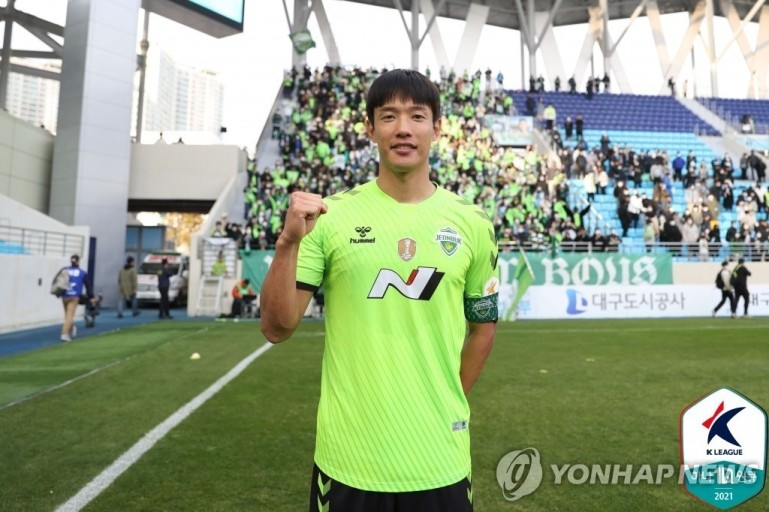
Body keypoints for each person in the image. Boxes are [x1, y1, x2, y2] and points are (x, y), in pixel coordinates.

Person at [260, 69, 498, 512]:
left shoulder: (473, 224)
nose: (403, 128)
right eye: (389, 116)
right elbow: (277, 327)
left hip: (440, 460)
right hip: (348, 461)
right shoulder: (328, 218)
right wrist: (287, 243)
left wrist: (444, 399)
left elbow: (483, 329)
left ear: (437, 127)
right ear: (370, 129)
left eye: (417, 116)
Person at [60, 254, 96, 342]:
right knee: (70, 315)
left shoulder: (65, 270)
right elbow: (88, 286)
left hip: (65, 295)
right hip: (74, 295)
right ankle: (65, 333)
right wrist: (91, 297)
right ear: (78, 261)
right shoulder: (82, 272)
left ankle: (71, 329)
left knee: (67, 315)